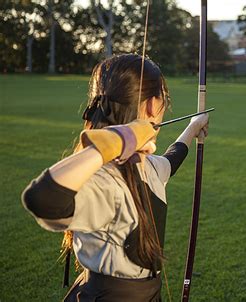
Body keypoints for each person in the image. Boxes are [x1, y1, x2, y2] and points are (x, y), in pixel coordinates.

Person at [21, 54, 209, 301]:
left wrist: (192, 128)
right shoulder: (104, 178)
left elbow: (171, 161)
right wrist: (119, 140)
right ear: (153, 105)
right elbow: (41, 198)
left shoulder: (147, 166)